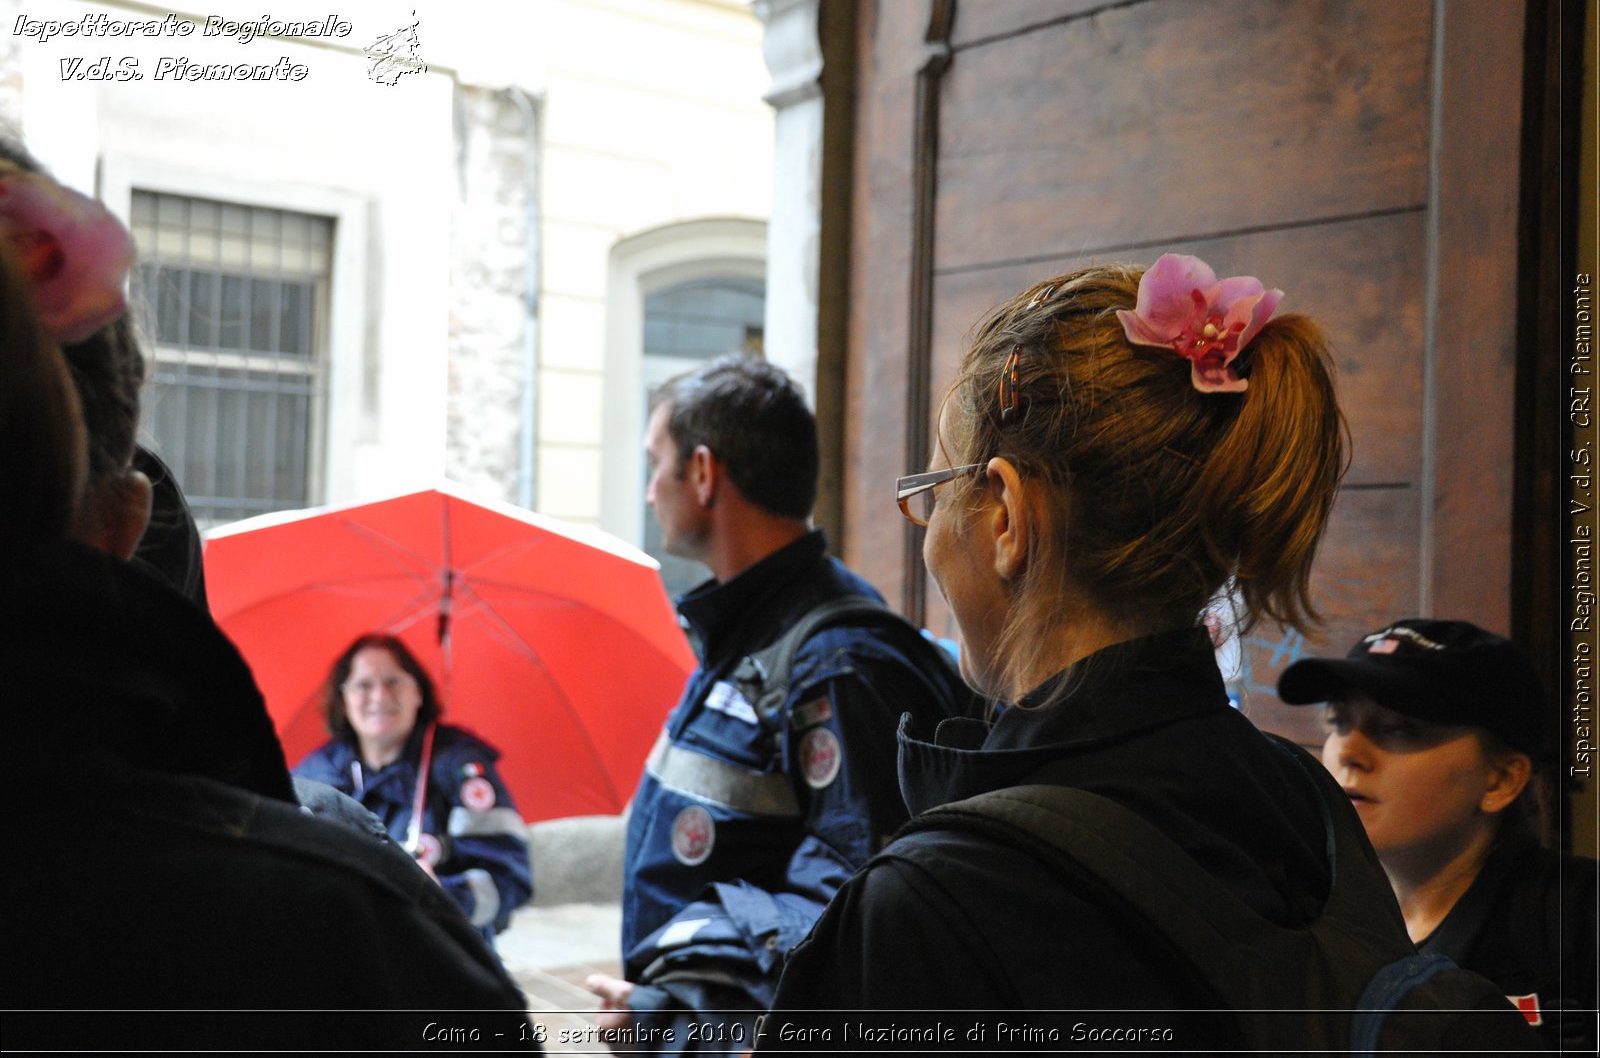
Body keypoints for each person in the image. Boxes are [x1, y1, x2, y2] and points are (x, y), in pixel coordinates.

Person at [756, 256, 1531, 1048]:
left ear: (1005, 520)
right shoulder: (1304, 804)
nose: (928, 540)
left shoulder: (927, 903)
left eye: (935, 491)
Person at [0, 142, 534, 1043]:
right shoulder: (343, 924)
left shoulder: (449, 774)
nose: (374, 699)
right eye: (361, 685)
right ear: (129, 520)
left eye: (390, 685)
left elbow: (503, 869)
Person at [584, 355, 972, 1052]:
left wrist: (672, 1022)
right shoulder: (750, 633)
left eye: (656, 463)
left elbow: (852, 927)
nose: (647, 492)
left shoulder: (839, 661)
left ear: (704, 473)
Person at [1279, 618, 1598, 1052]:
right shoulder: (1297, 912)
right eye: (1338, 722)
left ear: (1500, 779)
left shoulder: (1577, 918)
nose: (1348, 751)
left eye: (1397, 728)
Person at [295, 633, 535, 938]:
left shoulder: (460, 767)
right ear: (343, 699)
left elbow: (511, 879)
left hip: (446, 954)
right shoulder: (315, 773)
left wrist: (443, 896)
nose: (380, 696)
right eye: (363, 685)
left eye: (393, 682)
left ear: (418, 693)